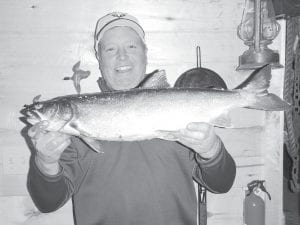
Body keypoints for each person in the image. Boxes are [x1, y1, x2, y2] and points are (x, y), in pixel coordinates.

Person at [26, 12, 236, 225]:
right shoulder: (67, 134)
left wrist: (211, 150)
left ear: (146, 52)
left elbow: (222, 184)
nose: (122, 57)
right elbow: (48, 203)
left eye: (132, 47)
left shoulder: (180, 111)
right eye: (110, 49)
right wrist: (46, 162)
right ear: (99, 58)